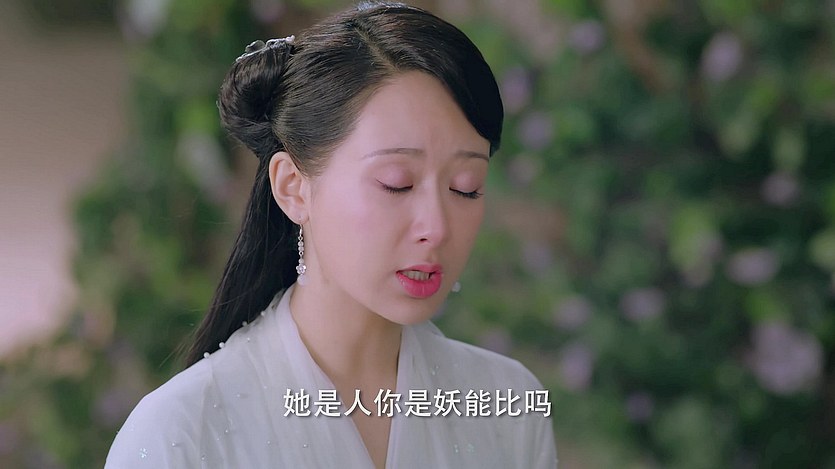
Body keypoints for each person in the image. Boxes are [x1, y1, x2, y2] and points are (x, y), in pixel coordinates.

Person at [105, 2, 557, 467]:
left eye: (466, 188)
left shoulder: (509, 407)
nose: (436, 228)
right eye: (397, 183)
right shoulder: (182, 434)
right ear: (293, 187)